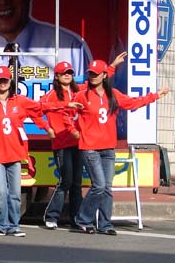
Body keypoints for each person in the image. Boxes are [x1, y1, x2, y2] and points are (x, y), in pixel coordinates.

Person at [0, 66, 78, 237]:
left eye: (5, 80)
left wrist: (66, 104)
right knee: (0, 192)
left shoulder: (20, 101)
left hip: (14, 154)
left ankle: (14, 225)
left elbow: (42, 107)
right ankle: (1, 224)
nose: (3, 83)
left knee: (15, 193)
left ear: (10, 81)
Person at [73, 59, 169, 236]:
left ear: (103, 76)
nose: (92, 77)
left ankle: (105, 224)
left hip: (108, 148)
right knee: (99, 185)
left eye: (96, 74)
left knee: (107, 187)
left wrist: (155, 96)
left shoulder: (113, 95)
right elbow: (66, 112)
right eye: (90, 74)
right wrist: (74, 131)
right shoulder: (82, 95)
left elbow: (133, 103)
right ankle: (83, 219)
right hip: (90, 148)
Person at [41, 52, 126, 230]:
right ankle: (52, 216)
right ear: (56, 76)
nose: (67, 75)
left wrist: (113, 65)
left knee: (77, 182)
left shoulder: (79, 91)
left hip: (80, 143)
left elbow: (99, 79)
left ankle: (76, 218)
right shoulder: (51, 95)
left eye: (70, 73)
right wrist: (48, 128)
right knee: (66, 180)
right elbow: (38, 109)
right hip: (62, 143)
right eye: (63, 73)